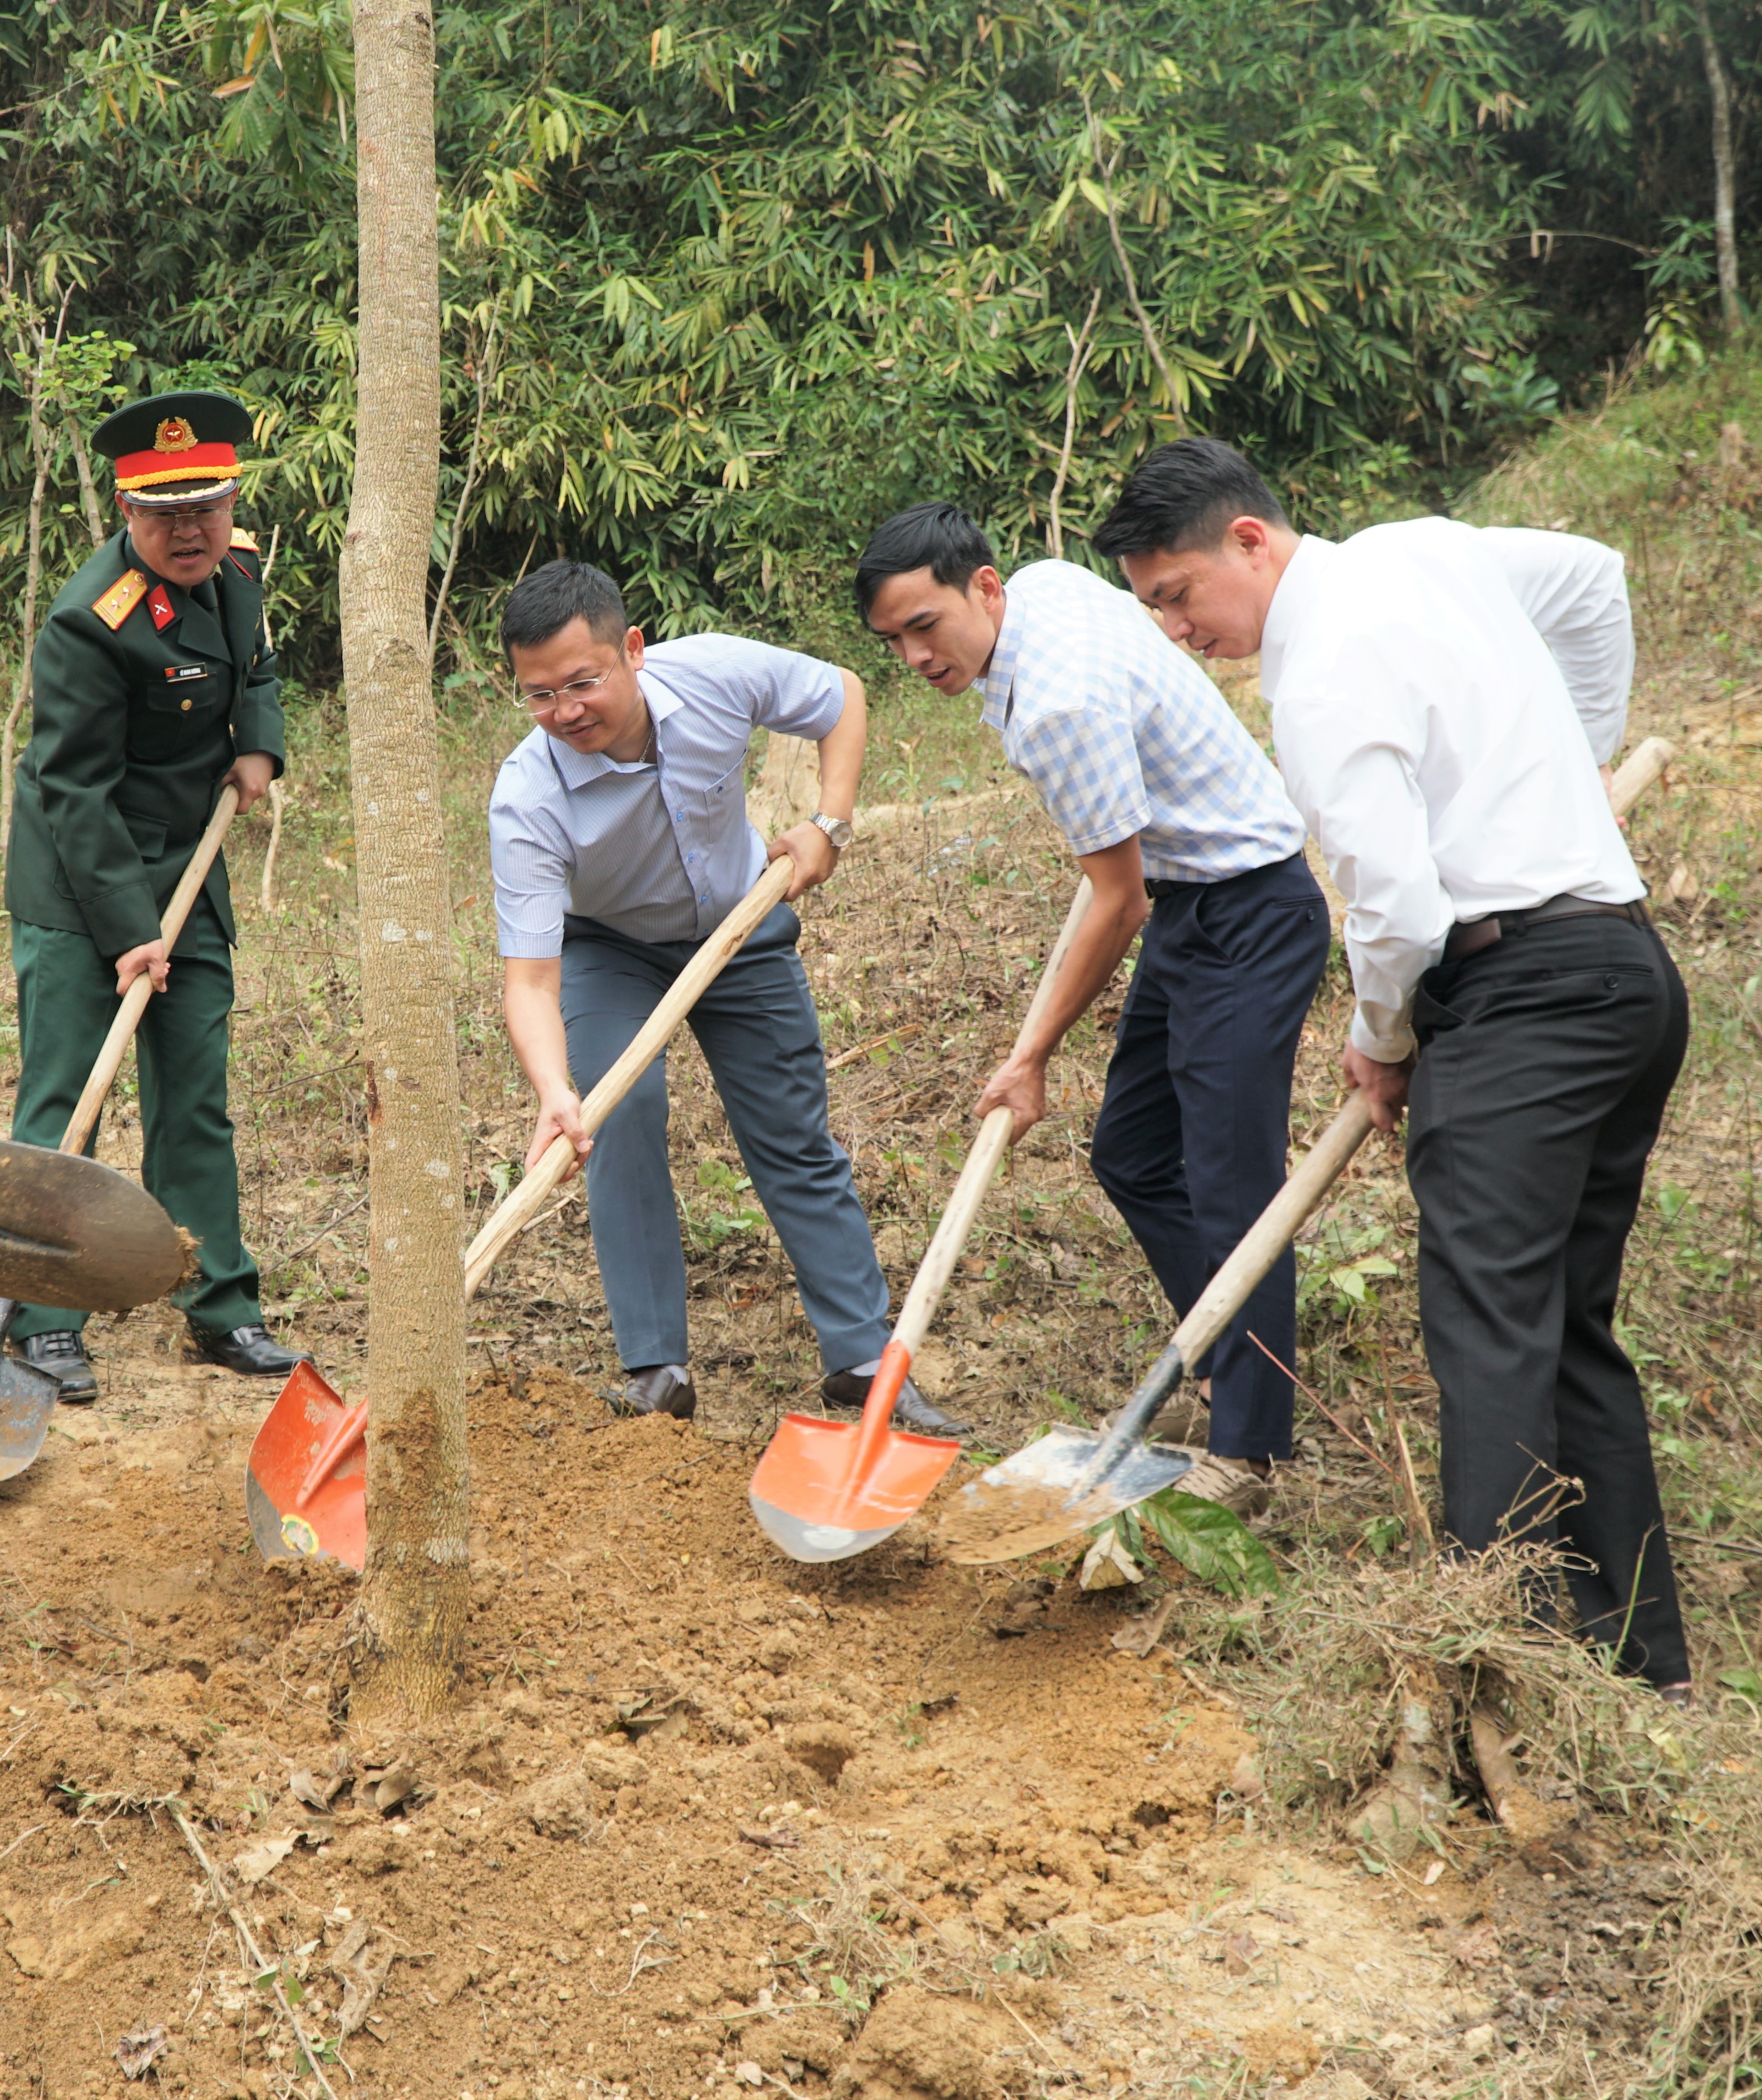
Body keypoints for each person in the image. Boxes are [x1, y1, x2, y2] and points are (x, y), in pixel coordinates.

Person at [1090, 437, 1689, 1699]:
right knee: (1567, 1330)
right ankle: (1636, 1671)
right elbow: (1593, 579)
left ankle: (1495, 1676)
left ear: (1250, 540)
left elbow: (1399, 906)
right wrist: (1577, 772)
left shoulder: (1318, 674)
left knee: (1489, 1334)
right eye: (1152, 608)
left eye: (1179, 595)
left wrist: (1381, 1038)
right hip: (1626, 980)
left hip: (1520, 1000)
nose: (1177, 628)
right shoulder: (1425, 548)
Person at [853, 504, 1325, 1515]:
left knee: (1232, 1181)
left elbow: (1118, 900)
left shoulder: (1058, 705)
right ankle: (1222, 1360)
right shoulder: (1049, 589)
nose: (914, 656)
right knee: (1133, 1152)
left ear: (983, 588)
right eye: (892, 640)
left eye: (925, 625)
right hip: (1195, 899)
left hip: (1249, 908)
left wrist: (1028, 1056)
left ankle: (1249, 1445)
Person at [488, 559, 940, 1431]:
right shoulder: (527, 799)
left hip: (743, 928)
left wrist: (830, 821)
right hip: (610, 950)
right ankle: (658, 1373)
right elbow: (531, 979)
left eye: (583, 682)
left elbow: (841, 693)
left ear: (633, 650)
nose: (565, 712)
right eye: (539, 696)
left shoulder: (715, 674)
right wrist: (554, 1092)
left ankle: (859, 1360)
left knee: (792, 1134)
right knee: (617, 1118)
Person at [0, 388, 305, 1398]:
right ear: (126, 513)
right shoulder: (92, 622)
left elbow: (255, 663)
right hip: (83, 880)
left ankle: (220, 1307)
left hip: (189, 859)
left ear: (229, 503)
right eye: (165, 513)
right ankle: (44, 1322)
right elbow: (71, 790)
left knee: (195, 1094)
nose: (190, 531)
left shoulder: (235, 570)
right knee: (65, 1102)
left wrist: (259, 741)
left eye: (207, 507)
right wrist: (130, 931)